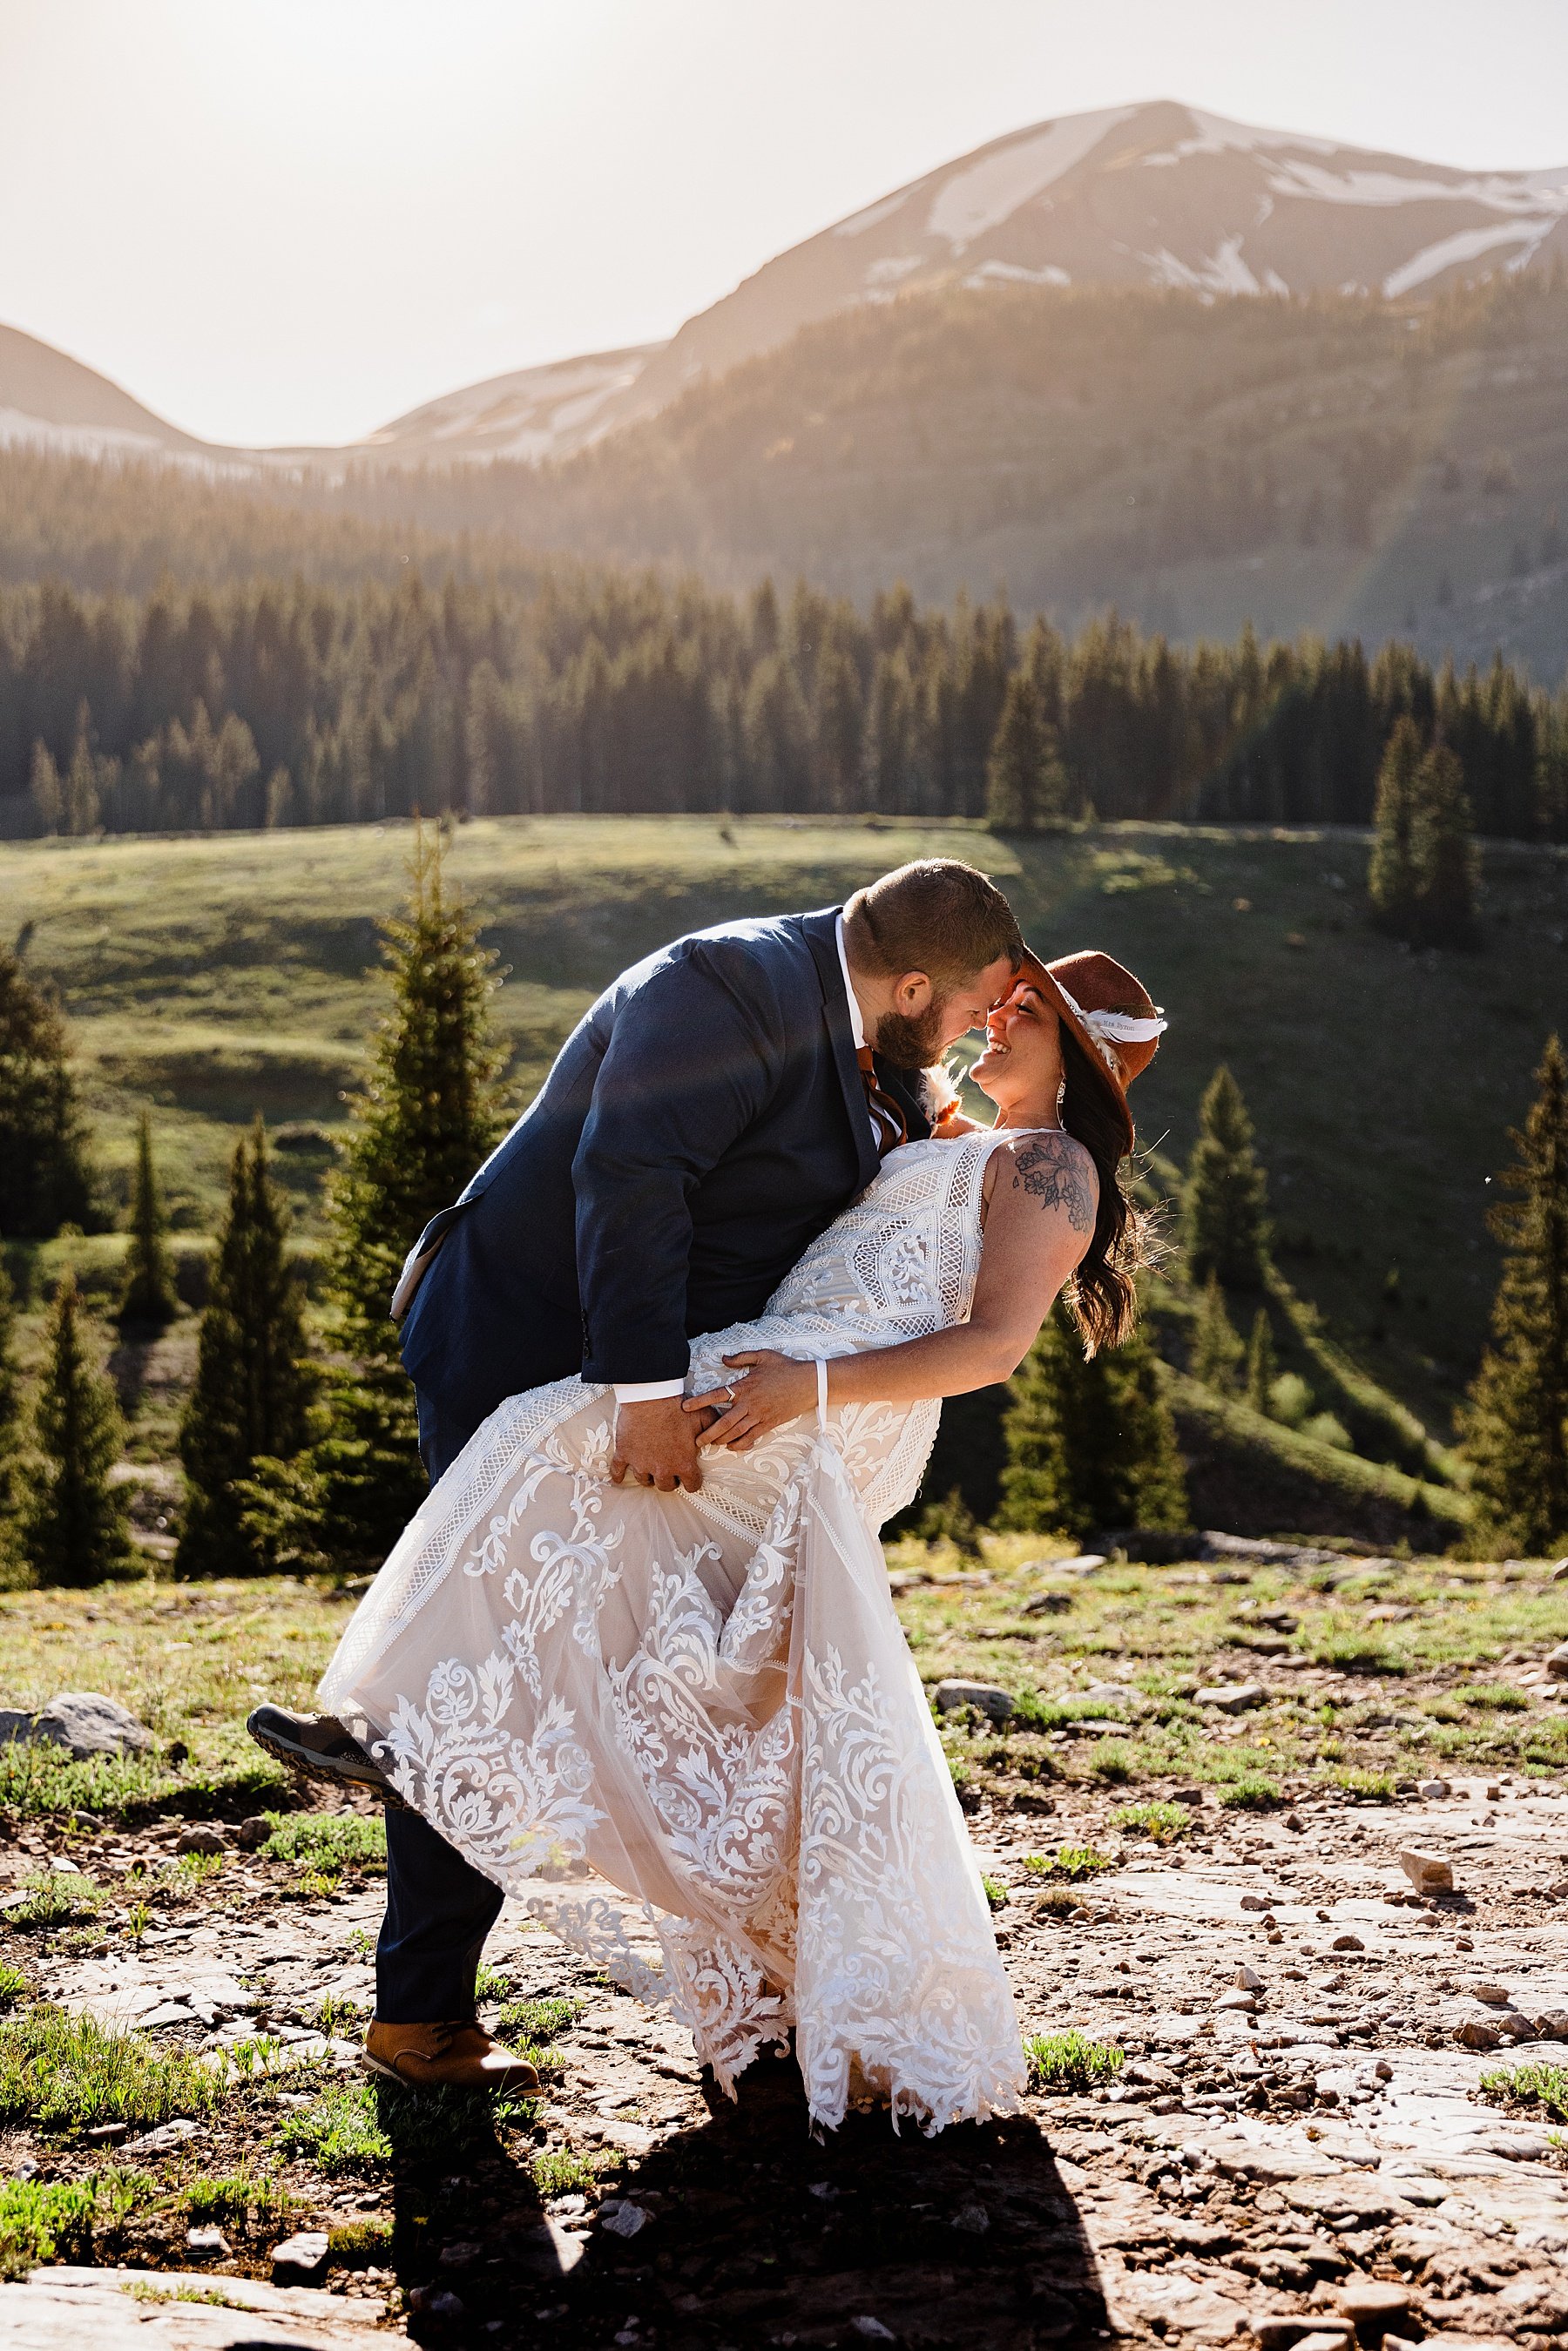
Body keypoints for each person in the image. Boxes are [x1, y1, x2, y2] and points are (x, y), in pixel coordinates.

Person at [259, 909, 1166, 2131]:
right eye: (993, 1001)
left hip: (813, 1397)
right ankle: (447, 1768)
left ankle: (417, 1739)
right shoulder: (913, 1100)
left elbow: (994, 1344)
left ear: (1075, 1053)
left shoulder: (1054, 1167)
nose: (992, 1018)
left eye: (1023, 1011)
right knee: (703, 1657)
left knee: (559, 1464)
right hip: (741, 1365)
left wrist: (813, 1385)